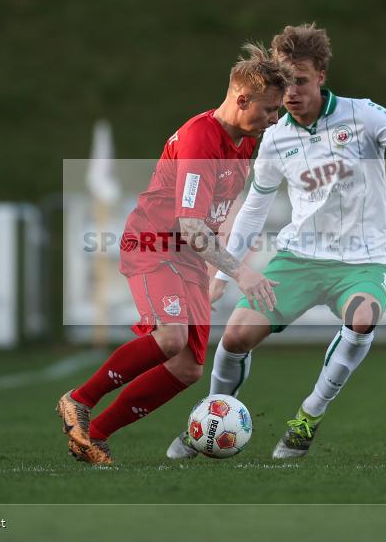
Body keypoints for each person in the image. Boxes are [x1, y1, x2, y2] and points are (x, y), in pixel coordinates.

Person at [166, 23, 386, 460]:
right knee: (234, 338)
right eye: (285, 83)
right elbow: (254, 209)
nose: (291, 93)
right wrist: (226, 270)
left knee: (363, 317)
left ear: (321, 75)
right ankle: (208, 420)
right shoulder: (275, 138)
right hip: (299, 258)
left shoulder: (364, 115)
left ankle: (308, 416)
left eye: (301, 81)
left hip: (363, 260)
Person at [57, 43, 291, 465]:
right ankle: (78, 399)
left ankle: (94, 435)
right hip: (155, 246)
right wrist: (240, 274)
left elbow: (213, 217)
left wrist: (211, 274)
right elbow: (188, 224)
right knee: (170, 338)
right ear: (242, 100)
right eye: (271, 110)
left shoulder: (243, 142)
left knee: (188, 369)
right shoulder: (203, 137)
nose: (275, 119)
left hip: (187, 258)